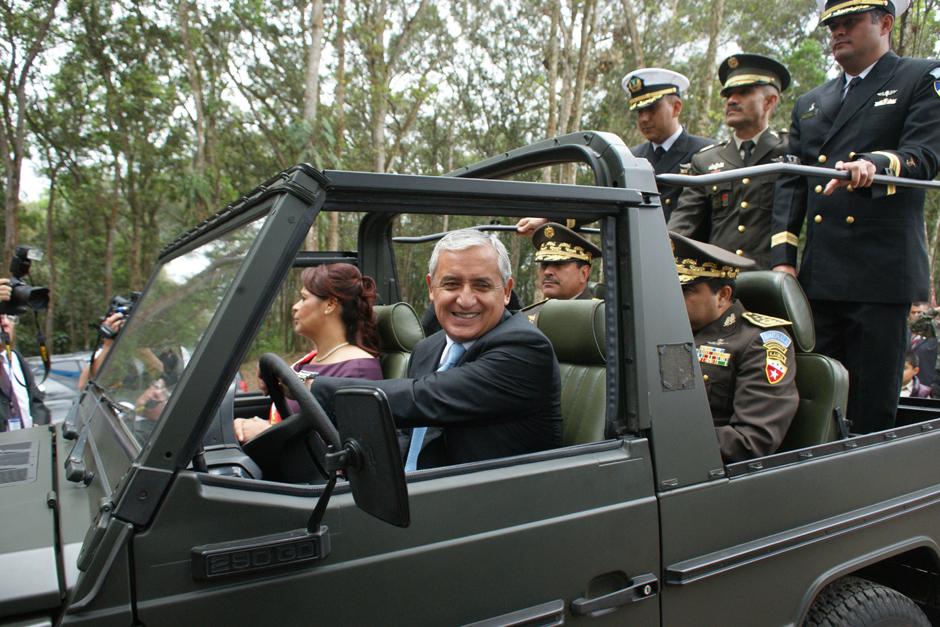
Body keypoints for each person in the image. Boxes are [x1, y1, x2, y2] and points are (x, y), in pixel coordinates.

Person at [771, 0, 940, 433]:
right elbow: (792, 184)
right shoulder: (811, 102)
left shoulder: (920, 77)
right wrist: (784, 260)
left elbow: (924, 155)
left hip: (879, 272)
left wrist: (876, 165)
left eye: (850, 22)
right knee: (817, 395)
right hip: (821, 274)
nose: (838, 33)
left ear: (885, 24)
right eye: (833, 26)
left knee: (868, 404)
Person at [312, 228, 562, 470]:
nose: (465, 300)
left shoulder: (526, 347)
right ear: (431, 288)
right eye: (451, 284)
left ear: (506, 291)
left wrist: (315, 387)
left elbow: (423, 398)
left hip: (494, 496)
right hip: (423, 488)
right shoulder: (427, 349)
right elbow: (410, 436)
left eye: (482, 286)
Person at [672, 232, 798, 462]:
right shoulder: (669, 332)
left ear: (723, 295)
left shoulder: (760, 341)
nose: (672, 298)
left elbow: (752, 440)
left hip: (708, 469)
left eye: (685, 290)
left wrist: (666, 443)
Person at [234, 263, 383, 443]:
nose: (295, 306)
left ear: (330, 304)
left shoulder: (359, 369)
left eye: (304, 298)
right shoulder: (309, 362)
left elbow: (353, 448)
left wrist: (268, 431)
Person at [669, 54, 791, 270]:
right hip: (719, 280)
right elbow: (684, 222)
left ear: (769, 101)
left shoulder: (789, 151)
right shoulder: (706, 160)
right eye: (728, 95)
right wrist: (661, 254)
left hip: (770, 277)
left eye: (743, 92)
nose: (732, 100)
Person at [622, 68, 715, 219]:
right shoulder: (631, 158)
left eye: (651, 109)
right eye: (639, 111)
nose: (644, 119)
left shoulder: (706, 153)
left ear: (676, 108)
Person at [521, 222, 601, 322]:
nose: (547, 272)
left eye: (558, 264)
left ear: (583, 273)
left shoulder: (602, 317)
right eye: (544, 264)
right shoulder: (526, 318)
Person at [0, 278, 50, 431]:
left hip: (29, 441)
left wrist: (39, 429)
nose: (5, 323)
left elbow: (36, 402)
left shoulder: (15, 358)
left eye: (10, 317)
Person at [908, 302, 938, 389]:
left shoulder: (934, 333)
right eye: (913, 312)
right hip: (907, 385)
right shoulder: (905, 333)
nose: (916, 315)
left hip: (929, 386)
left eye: (920, 313)